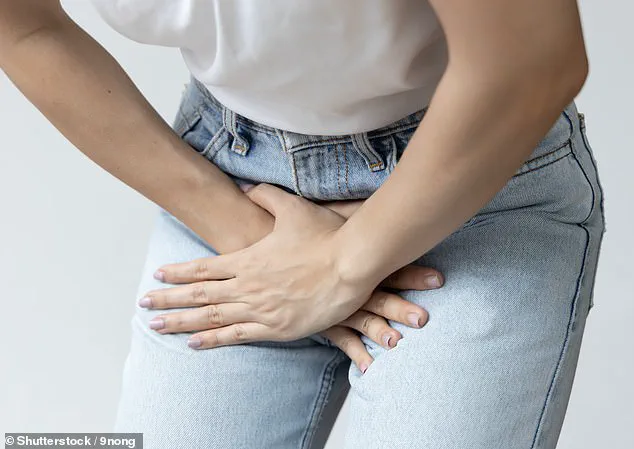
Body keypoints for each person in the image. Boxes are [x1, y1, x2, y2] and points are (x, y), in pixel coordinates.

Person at [0, 0, 606, 448]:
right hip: (228, 175)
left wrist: (340, 268)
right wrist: (251, 235)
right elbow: (23, 27)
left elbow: (533, 60)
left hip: (468, 176)